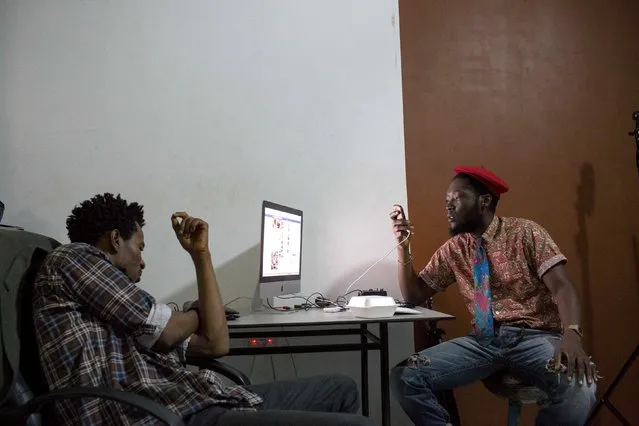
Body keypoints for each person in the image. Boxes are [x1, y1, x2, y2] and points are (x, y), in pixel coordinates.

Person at [33, 193, 373, 426]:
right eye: (140, 247)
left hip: (194, 400)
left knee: (343, 388)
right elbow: (166, 330)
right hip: (160, 416)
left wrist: (201, 255)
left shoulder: (114, 304)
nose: (143, 261)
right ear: (115, 239)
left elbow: (215, 343)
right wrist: (195, 314)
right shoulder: (72, 258)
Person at [389, 166, 597, 426]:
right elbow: (413, 295)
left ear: (484, 201)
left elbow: (562, 287)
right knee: (406, 376)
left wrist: (572, 334)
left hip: (534, 338)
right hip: (483, 342)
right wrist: (403, 247)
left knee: (580, 388)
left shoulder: (525, 233)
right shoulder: (455, 248)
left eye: (457, 198)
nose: (449, 207)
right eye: (446, 201)